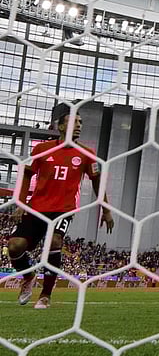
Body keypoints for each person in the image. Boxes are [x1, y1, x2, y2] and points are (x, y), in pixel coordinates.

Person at [5, 109, 114, 309]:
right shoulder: (41, 149)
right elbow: (27, 175)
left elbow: (98, 182)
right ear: (61, 126)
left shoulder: (86, 154)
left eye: (81, 122)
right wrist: (20, 203)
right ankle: (28, 276)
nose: (79, 125)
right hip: (37, 207)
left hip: (63, 209)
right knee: (14, 246)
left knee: (54, 241)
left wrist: (105, 209)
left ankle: (45, 295)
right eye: (74, 121)